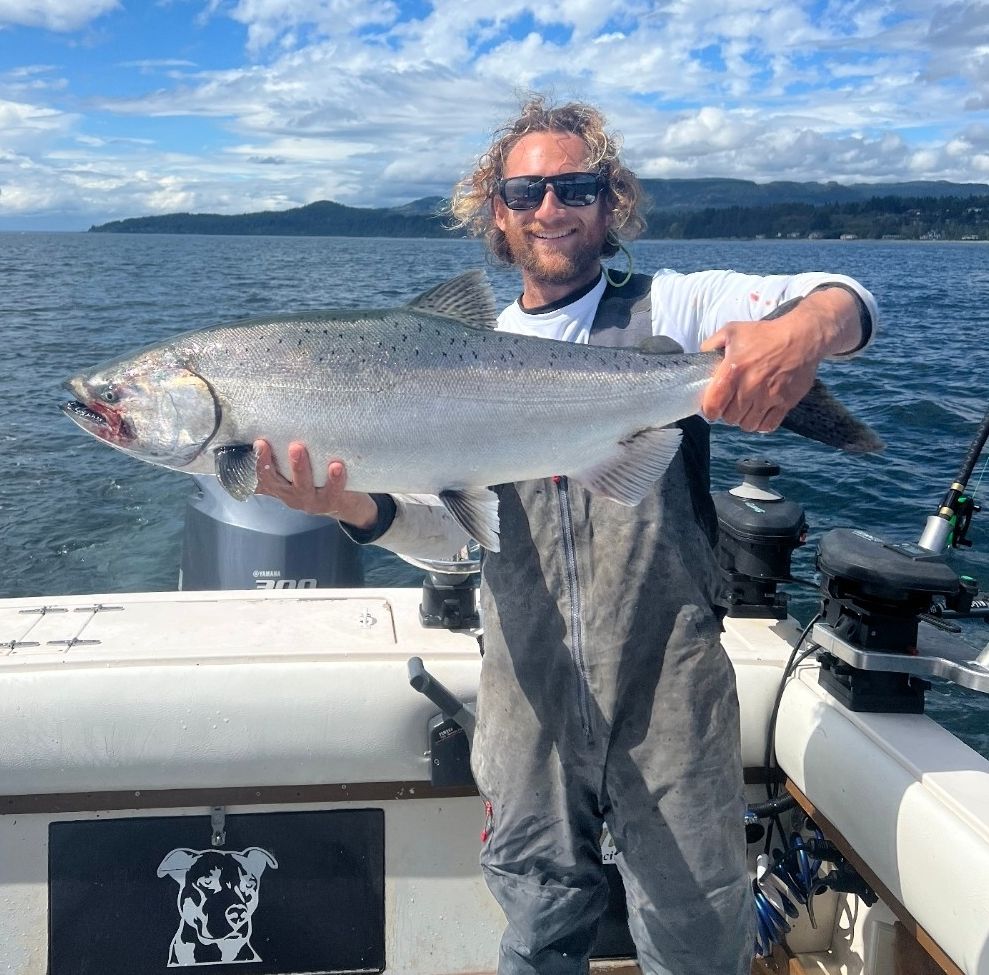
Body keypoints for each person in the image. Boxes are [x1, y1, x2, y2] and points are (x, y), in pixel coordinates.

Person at [254, 96, 877, 975]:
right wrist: (351, 509)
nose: (552, 206)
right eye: (527, 190)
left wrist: (801, 335)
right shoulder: (455, 352)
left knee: (698, 928)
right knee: (538, 921)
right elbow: (452, 533)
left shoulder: (676, 310)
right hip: (525, 687)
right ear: (497, 212)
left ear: (610, 200)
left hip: (669, 681)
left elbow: (844, 299)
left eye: (575, 186)